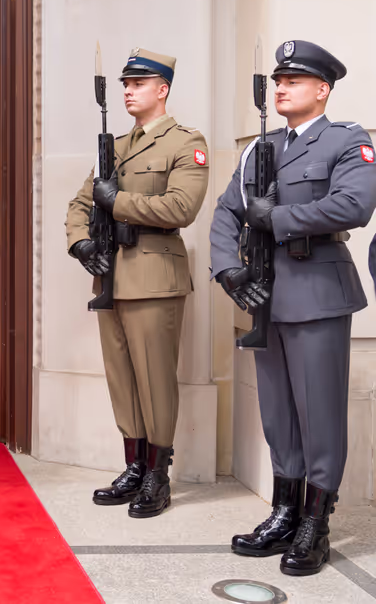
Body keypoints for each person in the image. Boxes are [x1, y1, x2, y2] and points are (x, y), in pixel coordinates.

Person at [212, 41, 376, 576]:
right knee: (278, 413)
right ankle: (284, 511)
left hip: (318, 294)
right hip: (265, 295)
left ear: (323, 89)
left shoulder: (347, 140)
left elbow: (355, 204)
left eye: (295, 80)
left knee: (319, 414)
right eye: (278, 80)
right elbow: (226, 211)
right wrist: (227, 271)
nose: (281, 88)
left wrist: (277, 217)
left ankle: (316, 524)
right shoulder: (259, 148)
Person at [65, 48, 209, 518]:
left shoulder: (185, 142)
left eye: (139, 84)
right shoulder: (117, 146)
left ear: (162, 89)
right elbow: (81, 204)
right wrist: (82, 243)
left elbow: (180, 209)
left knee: (154, 381)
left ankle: (157, 476)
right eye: (126, 84)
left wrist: (119, 201)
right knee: (122, 380)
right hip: (111, 278)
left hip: (154, 278)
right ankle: (133, 466)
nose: (128, 91)